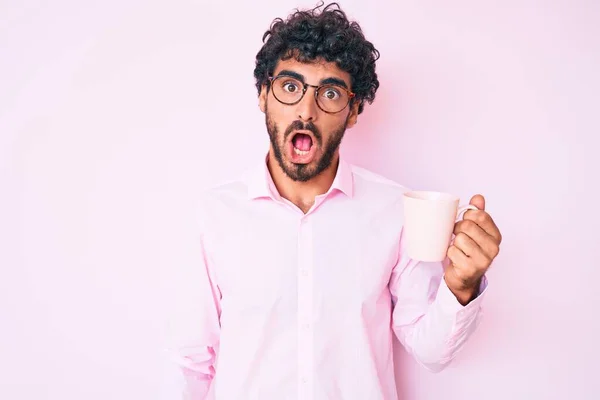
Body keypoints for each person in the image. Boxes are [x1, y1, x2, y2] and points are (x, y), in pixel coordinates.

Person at [166, 2, 502, 399]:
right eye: (290, 87)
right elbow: (194, 361)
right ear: (263, 96)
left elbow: (431, 351)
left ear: (354, 110)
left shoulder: (395, 211)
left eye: (329, 92)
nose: (306, 111)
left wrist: (461, 284)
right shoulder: (215, 215)